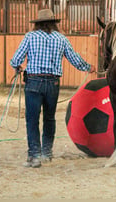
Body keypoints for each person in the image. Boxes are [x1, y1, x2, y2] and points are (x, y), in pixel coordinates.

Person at [10, 9, 96, 168]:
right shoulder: (61, 39)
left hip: (34, 82)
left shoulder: (30, 37)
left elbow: (16, 59)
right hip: (53, 83)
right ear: (53, 23)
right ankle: (47, 153)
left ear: (37, 24)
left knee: (32, 120)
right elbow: (73, 58)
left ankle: (34, 156)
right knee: (49, 118)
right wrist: (88, 67)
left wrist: (17, 67)